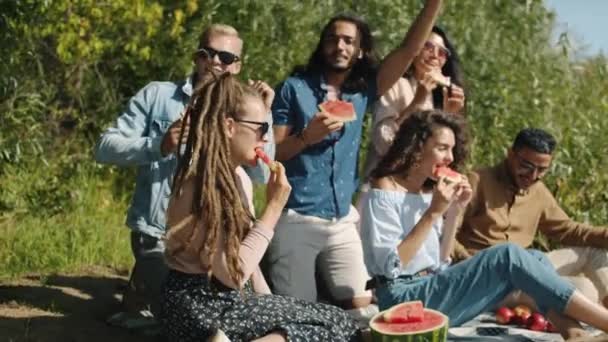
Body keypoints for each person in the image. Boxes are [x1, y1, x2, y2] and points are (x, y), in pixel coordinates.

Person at [360, 110, 608, 340]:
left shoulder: (427, 192)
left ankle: (575, 334)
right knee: (508, 253)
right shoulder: (383, 190)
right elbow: (390, 267)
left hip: (431, 289)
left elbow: (440, 261)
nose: (450, 158)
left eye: (452, 149)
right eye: (442, 148)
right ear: (416, 147)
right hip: (402, 299)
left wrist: (455, 209)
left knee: (535, 257)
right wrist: (434, 213)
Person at [268, 0, 444, 316]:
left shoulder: (362, 92)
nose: (340, 45)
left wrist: (434, 4)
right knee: (299, 314)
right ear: (322, 45)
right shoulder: (293, 89)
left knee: (366, 308)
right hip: (296, 217)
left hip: (341, 221)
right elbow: (274, 152)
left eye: (349, 41)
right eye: (333, 38)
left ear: (360, 51)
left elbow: (407, 50)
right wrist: (308, 136)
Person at [162, 73, 361, 342]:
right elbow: (232, 275)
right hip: (199, 305)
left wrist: (272, 303)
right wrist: (274, 207)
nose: (265, 139)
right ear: (229, 126)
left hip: (224, 300)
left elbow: (250, 266)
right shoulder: (204, 185)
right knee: (333, 325)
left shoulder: (237, 177)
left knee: (335, 320)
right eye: (261, 128)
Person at [94, 24, 275, 320]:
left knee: (232, 309)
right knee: (188, 319)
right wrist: (158, 145)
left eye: (226, 57)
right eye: (208, 54)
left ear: (237, 66)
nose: (215, 62)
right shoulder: (158, 96)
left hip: (215, 241)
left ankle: (142, 290)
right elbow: (104, 148)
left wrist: (261, 117)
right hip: (160, 237)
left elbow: (261, 177)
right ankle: (146, 289)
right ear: (196, 57)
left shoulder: (241, 110)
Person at [453, 128, 608, 308]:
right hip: (486, 277)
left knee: (596, 252)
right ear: (510, 154)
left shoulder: (537, 190)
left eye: (541, 169)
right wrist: (469, 262)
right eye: (526, 166)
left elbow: (567, 230)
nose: (533, 176)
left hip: (527, 268)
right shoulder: (477, 181)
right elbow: (445, 233)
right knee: (583, 289)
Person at [362, 25, 465, 180]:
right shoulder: (395, 84)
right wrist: (417, 102)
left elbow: (444, 156)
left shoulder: (440, 96)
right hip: (385, 185)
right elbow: (383, 143)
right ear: (414, 50)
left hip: (420, 190)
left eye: (442, 52)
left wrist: (450, 115)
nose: (435, 55)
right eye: (428, 47)